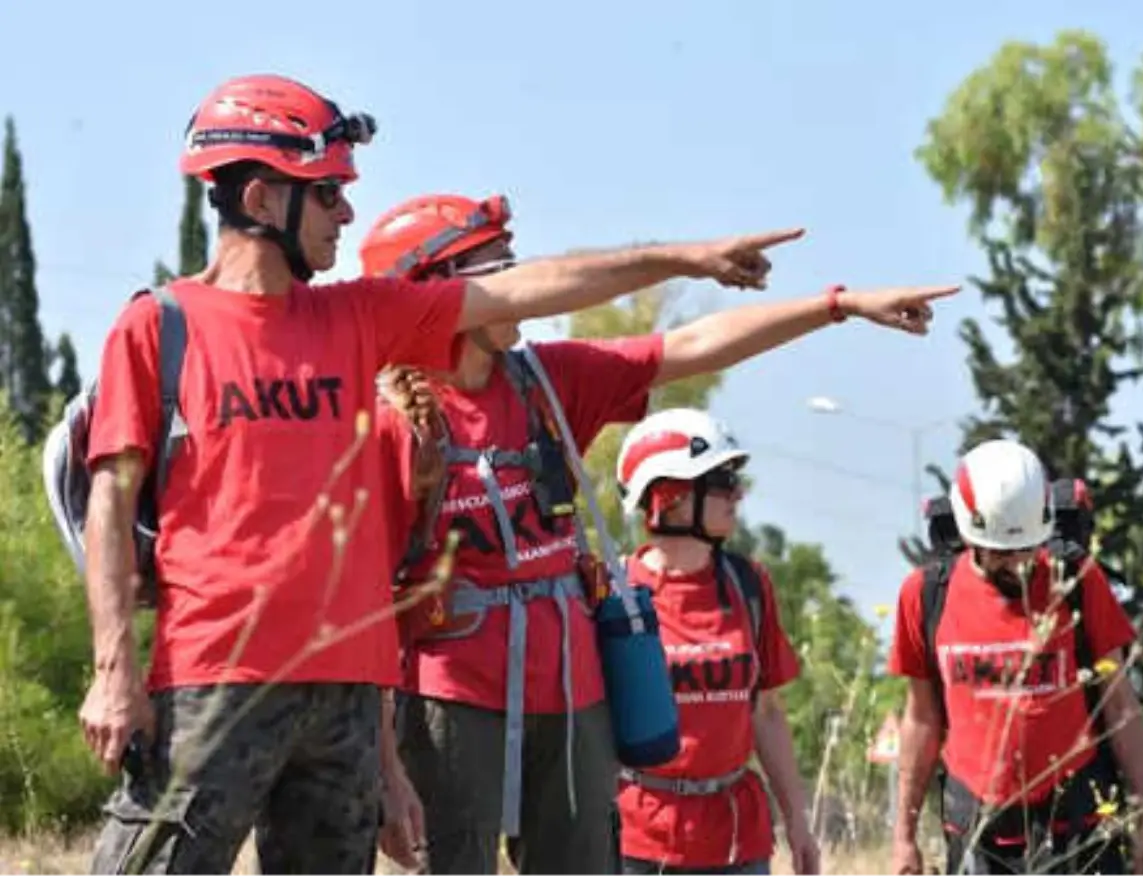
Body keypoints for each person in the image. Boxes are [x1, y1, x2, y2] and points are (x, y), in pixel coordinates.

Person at [78, 74, 821, 876]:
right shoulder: (160, 326)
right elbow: (110, 506)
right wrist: (114, 672)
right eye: (328, 193)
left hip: (347, 698)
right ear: (261, 200)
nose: (347, 214)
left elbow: (521, 288)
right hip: (213, 679)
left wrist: (683, 259)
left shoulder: (356, 317)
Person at [358, 192, 959, 875]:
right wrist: (386, 770)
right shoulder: (391, 428)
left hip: (573, 696)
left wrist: (837, 307)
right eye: (502, 272)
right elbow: (365, 614)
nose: (523, 288)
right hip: (450, 701)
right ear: (434, 293)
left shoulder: (547, 385)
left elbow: (694, 346)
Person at [887, 439, 1143, 876]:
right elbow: (921, 720)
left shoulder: (1076, 581)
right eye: (1002, 552)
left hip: (1077, 828)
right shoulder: (925, 597)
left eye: (1027, 549)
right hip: (980, 836)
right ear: (967, 533)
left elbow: (1120, 706)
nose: (1018, 563)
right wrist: (903, 839)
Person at [612, 408, 819, 876]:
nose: (738, 493)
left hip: (737, 841)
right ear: (671, 496)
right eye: (722, 481)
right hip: (639, 844)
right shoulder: (615, 593)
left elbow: (765, 712)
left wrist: (798, 824)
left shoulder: (749, 584)